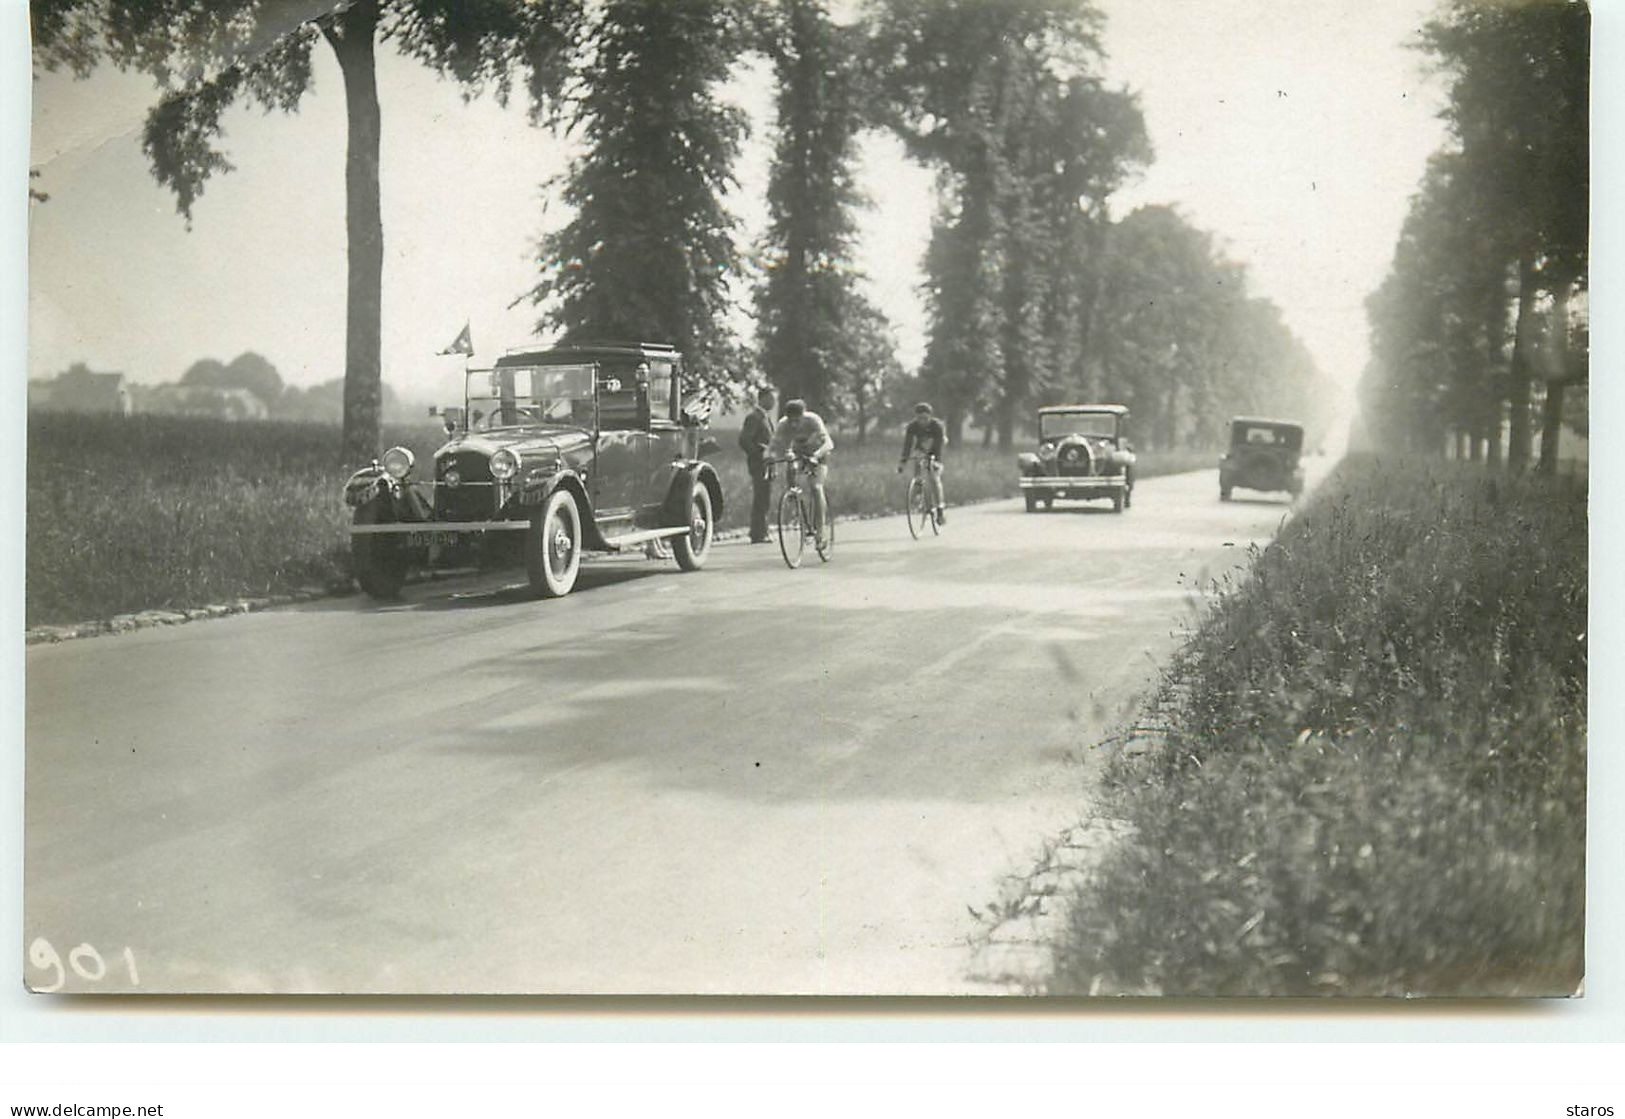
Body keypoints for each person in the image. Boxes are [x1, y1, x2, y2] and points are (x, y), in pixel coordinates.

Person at [766, 398, 833, 548]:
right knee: (791, 468)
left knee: (816, 487)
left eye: (797, 420)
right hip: (800, 454)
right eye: (791, 421)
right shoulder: (783, 424)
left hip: (819, 455)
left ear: (803, 415)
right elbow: (774, 444)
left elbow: (829, 443)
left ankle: (820, 531)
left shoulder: (813, 420)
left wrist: (816, 456)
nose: (794, 424)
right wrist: (769, 457)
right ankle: (798, 506)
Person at [898, 402, 948, 525]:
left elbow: (938, 446)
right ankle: (919, 491)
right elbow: (907, 445)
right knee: (918, 461)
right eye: (919, 418)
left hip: (936, 448)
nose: (922, 421)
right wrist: (903, 462)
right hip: (921, 449)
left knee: (934, 477)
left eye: (925, 418)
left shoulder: (937, 426)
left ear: (930, 417)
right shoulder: (912, 427)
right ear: (916, 417)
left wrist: (936, 460)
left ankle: (940, 509)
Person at [738, 386, 777, 543]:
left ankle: (761, 530)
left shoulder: (765, 417)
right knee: (761, 497)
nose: (773, 402)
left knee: (764, 497)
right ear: (762, 398)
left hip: (767, 464)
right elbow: (744, 440)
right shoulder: (754, 417)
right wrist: (759, 453)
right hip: (759, 464)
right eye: (770, 398)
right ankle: (758, 533)